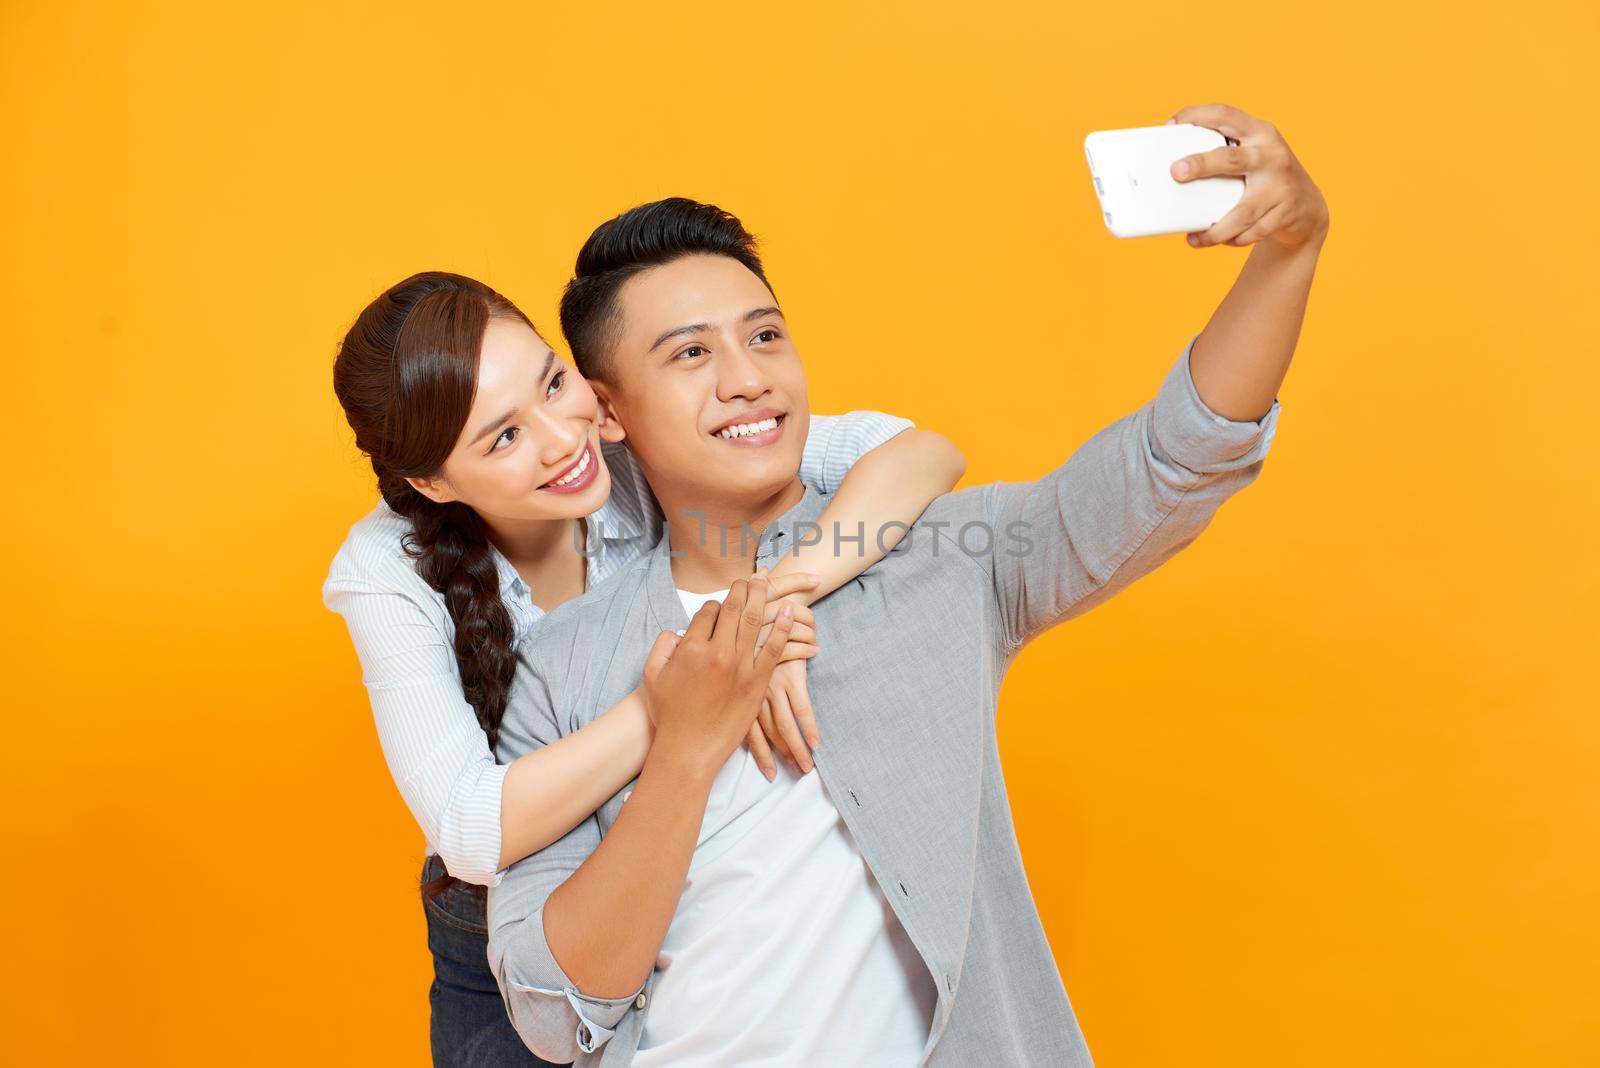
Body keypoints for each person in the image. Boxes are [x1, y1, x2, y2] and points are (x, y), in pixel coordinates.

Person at [486, 103, 1325, 1067]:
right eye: (690, 354)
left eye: (765, 337)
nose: (747, 378)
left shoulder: (939, 556)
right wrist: (684, 744)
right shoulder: (562, 663)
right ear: (606, 412)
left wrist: (1289, 255)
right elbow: (554, 1012)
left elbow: (1173, 459)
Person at [323, 270, 967, 1066]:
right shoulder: (384, 570)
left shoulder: (630, 455)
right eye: (504, 437)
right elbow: (468, 829)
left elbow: (913, 451)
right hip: (509, 932)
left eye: (554, 385)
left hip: (679, 866)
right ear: (430, 482)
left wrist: (764, 606)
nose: (563, 438)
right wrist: (680, 701)